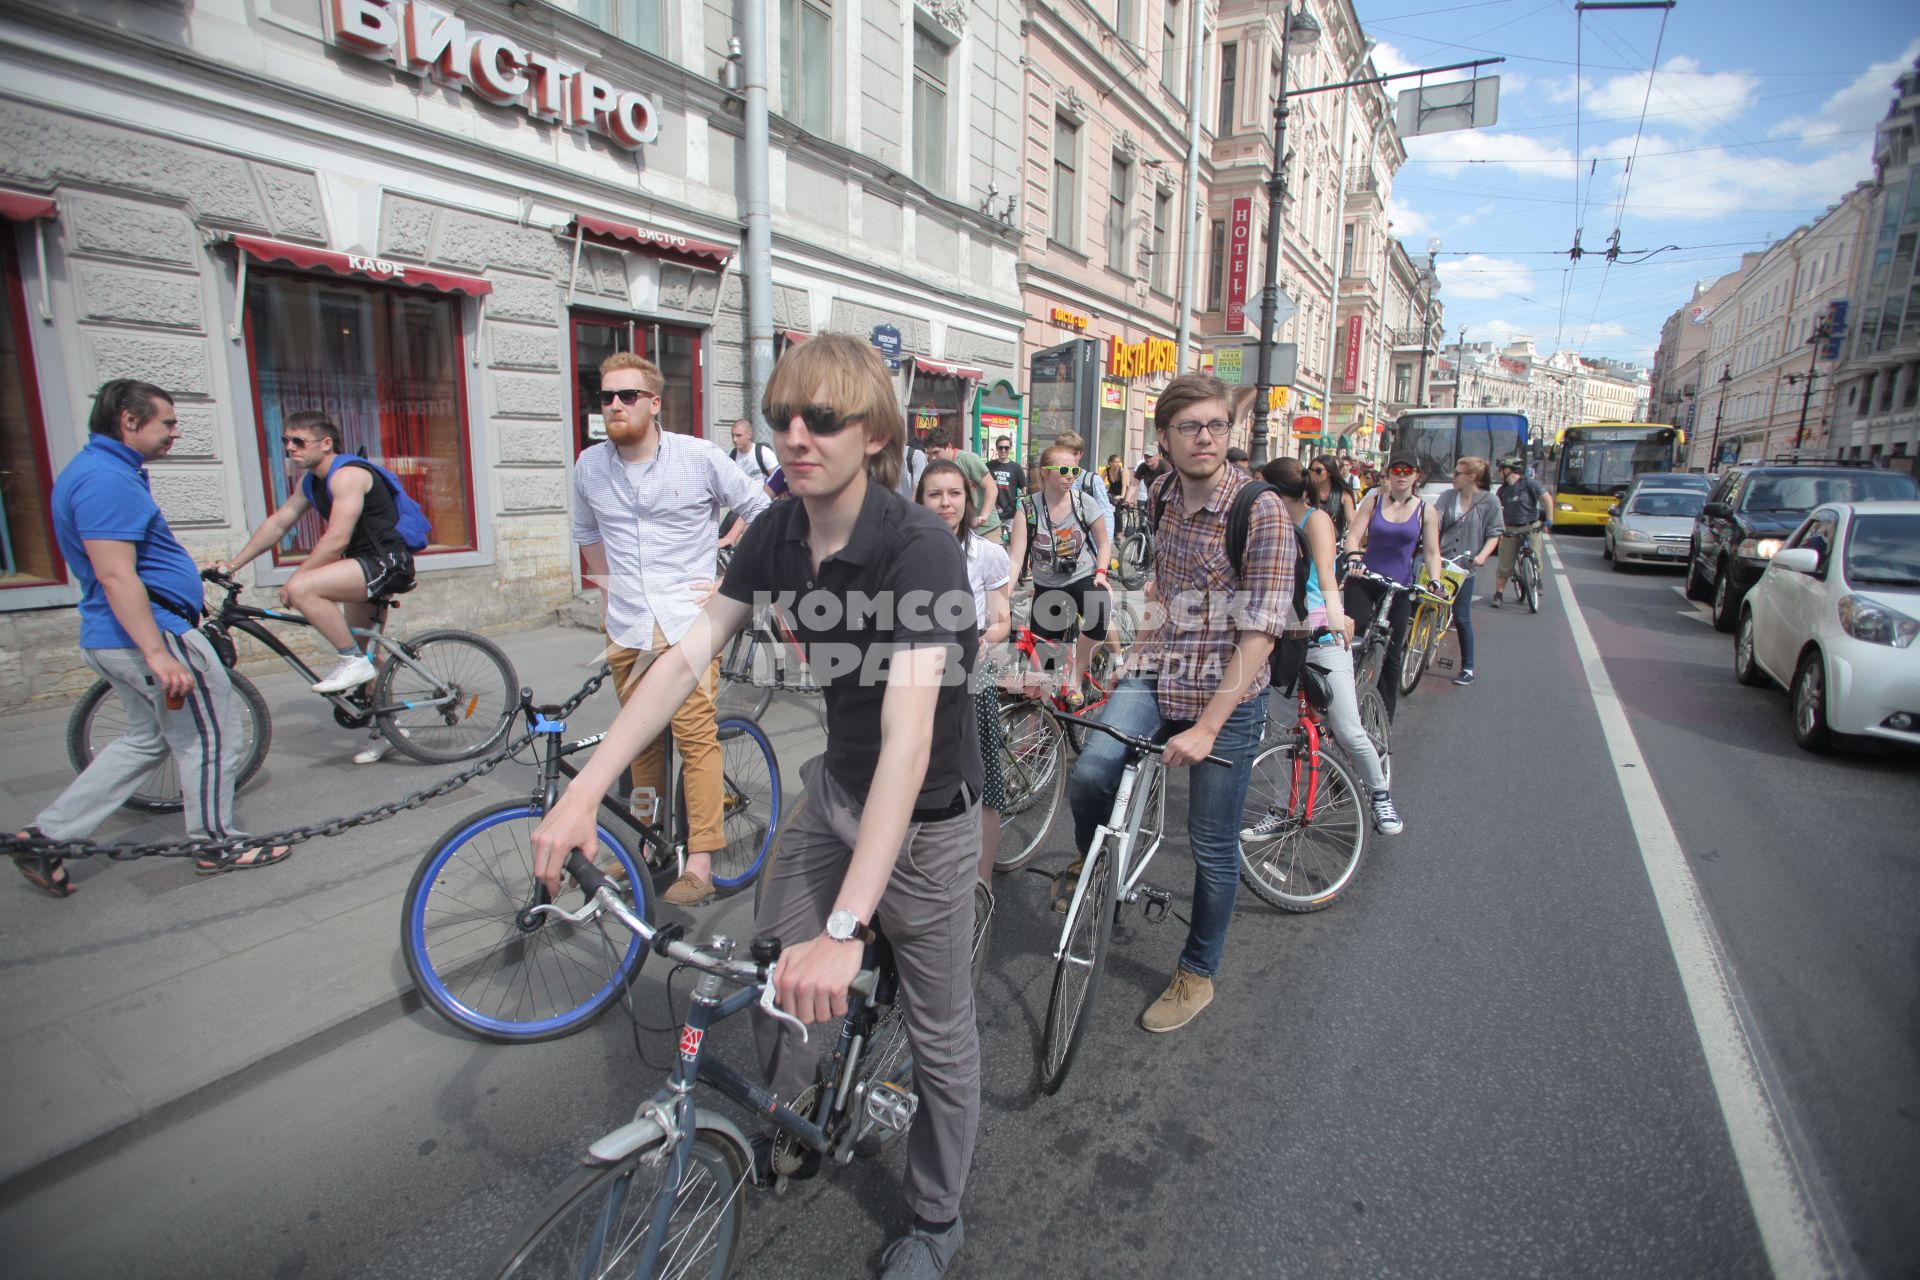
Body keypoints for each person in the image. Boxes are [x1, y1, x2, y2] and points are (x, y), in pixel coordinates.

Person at [531, 335, 981, 1277]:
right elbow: (685, 660)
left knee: (941, 1034)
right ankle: (793, 1111)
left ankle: (937, 1220)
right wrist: (582, 792)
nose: (797, 435)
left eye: (824, 418)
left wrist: (853, 923)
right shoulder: (776, 532)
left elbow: (907, 745)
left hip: (928, 820)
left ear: (874, 433)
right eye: (784, 417)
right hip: (835, 794)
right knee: (778, 973)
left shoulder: (921, 547)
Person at [1065, 373, 1293, 1034]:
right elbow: (1164, 577)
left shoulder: (1261, 511)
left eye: (1216, 425)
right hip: (1158, 669)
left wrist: (1208, 728)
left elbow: (1260, 634)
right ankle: (1095, 864)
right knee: (1092, 770)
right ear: (1162, 439)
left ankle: (1197, 972)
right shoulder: (1163, 490)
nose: (1205, 438)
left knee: (1212, 847)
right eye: (1190, 427)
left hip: (1227, 695)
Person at [14, 380, 290, 896]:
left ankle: (47, 837)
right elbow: (117, 575)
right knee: (212, 737)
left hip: (123, 633)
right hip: (151, 634)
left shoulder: (104, 471)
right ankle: (217, 843)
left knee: (144, 741)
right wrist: (157, 652)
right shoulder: (105, 480)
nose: (175, 433)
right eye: (167, 422)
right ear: (128, 420)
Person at [572, 353, 771, 906]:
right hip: (628, 626)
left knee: (694, 735)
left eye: (626, 395)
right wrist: (609, 591)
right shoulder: (589, 466)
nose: (613, 404)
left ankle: (701, 858)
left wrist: (730, 586)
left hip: (689, 622)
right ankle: (644, 843)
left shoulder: (700, 458)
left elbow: (764, 510)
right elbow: (586, 531)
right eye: (606, 395)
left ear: (654, 403)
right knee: (639, 742)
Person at [215, 410, 416, 699]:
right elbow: (279, 523)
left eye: (298, 441)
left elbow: (337, 538)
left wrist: (296, 580)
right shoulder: (310, 482)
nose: (289, 448)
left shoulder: (348, 475)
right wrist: (233, 565)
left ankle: (351, 661)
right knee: (367, 654)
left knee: (303, 590)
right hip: (361, 563)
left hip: (385, 562)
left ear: (325, 443)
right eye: (286, 441)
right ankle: (389, 728)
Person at [1247, 458, 1400, 836]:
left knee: (1347, 730)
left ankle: (1379, 795)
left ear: (1284, 493)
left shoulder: (1314, 520)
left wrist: (1335, 611)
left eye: (1264, 490)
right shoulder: (1263, 522)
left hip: (1319, 636)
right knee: (1281, 734)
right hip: (1281, 638)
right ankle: (1284, 809)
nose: (1256, 498)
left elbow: (1326, 574)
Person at [916, 459, 1011, 900]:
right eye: (934, 494)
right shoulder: (905, 548)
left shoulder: (985, 553)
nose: (945, 503)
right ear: (919, 500)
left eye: (954, 494)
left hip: (971, 672)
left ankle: (982, 880)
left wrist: (979, 639)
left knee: (983, 777)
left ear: (967, 500)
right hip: (918, 675)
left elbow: (1001, 621)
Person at [1342, 451, 1443, 720]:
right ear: (1387, 474)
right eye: (1395, 470)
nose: (1401, 475)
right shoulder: (1373, 501)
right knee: (1351, 636)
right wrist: (1353, 557)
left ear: (1416, 476)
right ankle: (1340, 702)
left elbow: (1432, 553)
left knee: (1392, 654)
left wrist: (1434, 580)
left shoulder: (1426, 510)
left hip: (1400, 586)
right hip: (1365, 578)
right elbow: (1353, 536)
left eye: (1407, 471)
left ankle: (1383, 722)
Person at [1008, 443, 1111, 706]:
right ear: (1045, 473)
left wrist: (1101, 572)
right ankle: (1041, 726)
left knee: (1099, 607)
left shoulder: (1083, 503)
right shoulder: (1028, 509)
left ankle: (1076, 676)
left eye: (1074, 470)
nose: (1070, 476)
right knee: (1044, 671)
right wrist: (1002, 595)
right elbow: (1015, 559)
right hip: (1047, 586)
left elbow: (1103, 543)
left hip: (1082, 576)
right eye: (1064, 470)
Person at [1434, 455, 1504, 686]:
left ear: (1471, 477)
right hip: (1440, 561)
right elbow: (1435, 520)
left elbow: (1495, 532)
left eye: (1457, 473)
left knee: (1461, 616)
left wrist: (1482, 556)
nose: (1452, 477)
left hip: (1464, 567)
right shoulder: (1447, 497)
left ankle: (1467, 667)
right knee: (1423, 603)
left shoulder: (1489, 502)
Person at [1490, 455, 1551, 608]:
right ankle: (1498, 594)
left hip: (1530, 526)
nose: (1498, 473)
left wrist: (1549, 519)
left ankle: (1536, 579)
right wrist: (1498, 530)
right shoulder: (1502, 491)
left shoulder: (1529, 484)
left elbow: (1546, 499)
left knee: (1535, 555)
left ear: (1508, 470)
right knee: (1505, 563)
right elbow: (1498, 511)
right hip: (1510, 528)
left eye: (1500, 470)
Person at [922, 427, 999, 544]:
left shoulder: (967, 459)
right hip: (959, 532)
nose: (932, 457)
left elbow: (991, 488)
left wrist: (983, 516)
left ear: (948, 447)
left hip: (987, 531)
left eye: (936, 452)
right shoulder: (934, 469)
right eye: (929, 453)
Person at [1309, 453, 1356, 551]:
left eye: (1318, 471)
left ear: (1329, 472)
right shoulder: (1306, 492)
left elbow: (1352, 523)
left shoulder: (1344, 494)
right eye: (1311, 470)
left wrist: (1350, 548)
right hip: (1308, 545)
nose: (1313, 474)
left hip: (1333, 547)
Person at [984, 435, 1026, 543]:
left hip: (1010, 514)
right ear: (997, 448)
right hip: (992, 513)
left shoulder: (1016, 467)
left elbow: (1024, 488)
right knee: (993, 545)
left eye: (1006, 448)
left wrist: (1023, 500)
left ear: (1010, 449)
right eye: (1000, 447)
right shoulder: (988, 466)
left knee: (1014, 544)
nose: (1003, 450)